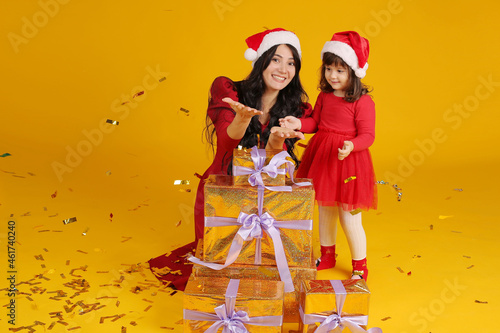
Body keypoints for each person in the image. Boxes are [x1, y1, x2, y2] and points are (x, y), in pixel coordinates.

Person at [148, 28, 311, 290]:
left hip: (264, 200)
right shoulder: (228, 90)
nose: (284, 69)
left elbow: (273, 167)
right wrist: (243, 118)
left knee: (263, 272)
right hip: (223, 194)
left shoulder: (296, 109)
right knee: (223, 275)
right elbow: (226, 143)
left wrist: (277, 141)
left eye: (291, 63)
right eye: (276, 59)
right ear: (261, 60)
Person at [280, 31, 377, 280]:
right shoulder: (324, 96)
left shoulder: (363, 102)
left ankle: (360, 266)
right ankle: (328, 256)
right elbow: (315, 123)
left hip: (349, 163)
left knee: (349, 216)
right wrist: (298, 124)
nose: (332, 75)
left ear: (353, 72)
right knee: (325, 210)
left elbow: (368, 136)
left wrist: (351, 146)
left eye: (340, 70)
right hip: (324, 159)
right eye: (329, 69)